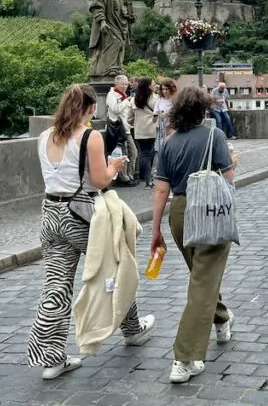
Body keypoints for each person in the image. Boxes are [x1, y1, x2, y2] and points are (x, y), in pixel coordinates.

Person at [28, 84, 155, 380]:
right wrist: (113, 165)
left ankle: (52, 357)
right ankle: (133, 330)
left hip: (50, 214)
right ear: (89, 108)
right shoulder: (89, 135)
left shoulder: (45, 136)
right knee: (118, 268)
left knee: (56, 288)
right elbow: (99, 181)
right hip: (81, 215)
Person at [150, 87, 239, 384]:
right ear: (203, 110)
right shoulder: (215, 136)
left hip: (179, 212)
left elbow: (161, 189)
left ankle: (223, 318)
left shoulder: (168, 143)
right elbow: (227, 179)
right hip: (209, 210)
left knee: (201, 276)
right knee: (203, 280)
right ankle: (185, 358)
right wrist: (233, 162)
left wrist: (155, 231)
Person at [106, 75, 138, 185]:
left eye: (126, 84)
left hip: (126, 128)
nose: (125, 86)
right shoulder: (111, 95)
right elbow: (115, 109)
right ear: (116, 84)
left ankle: (130, 175)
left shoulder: (124, 95)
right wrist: (126, 102)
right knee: (123, 153)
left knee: (133, 152)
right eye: (122, 84)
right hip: (118, 129)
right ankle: (124, 178)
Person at [132, 78, 158, 189]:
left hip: (139, 129)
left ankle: (146, 179)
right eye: (153, 84)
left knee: (143, 153)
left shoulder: (134, 99)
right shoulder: (156, 98)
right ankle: (149, 179)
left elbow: (129, 116)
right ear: (148, 86)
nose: (155, 85)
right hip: (151, 128)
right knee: (149, 152)